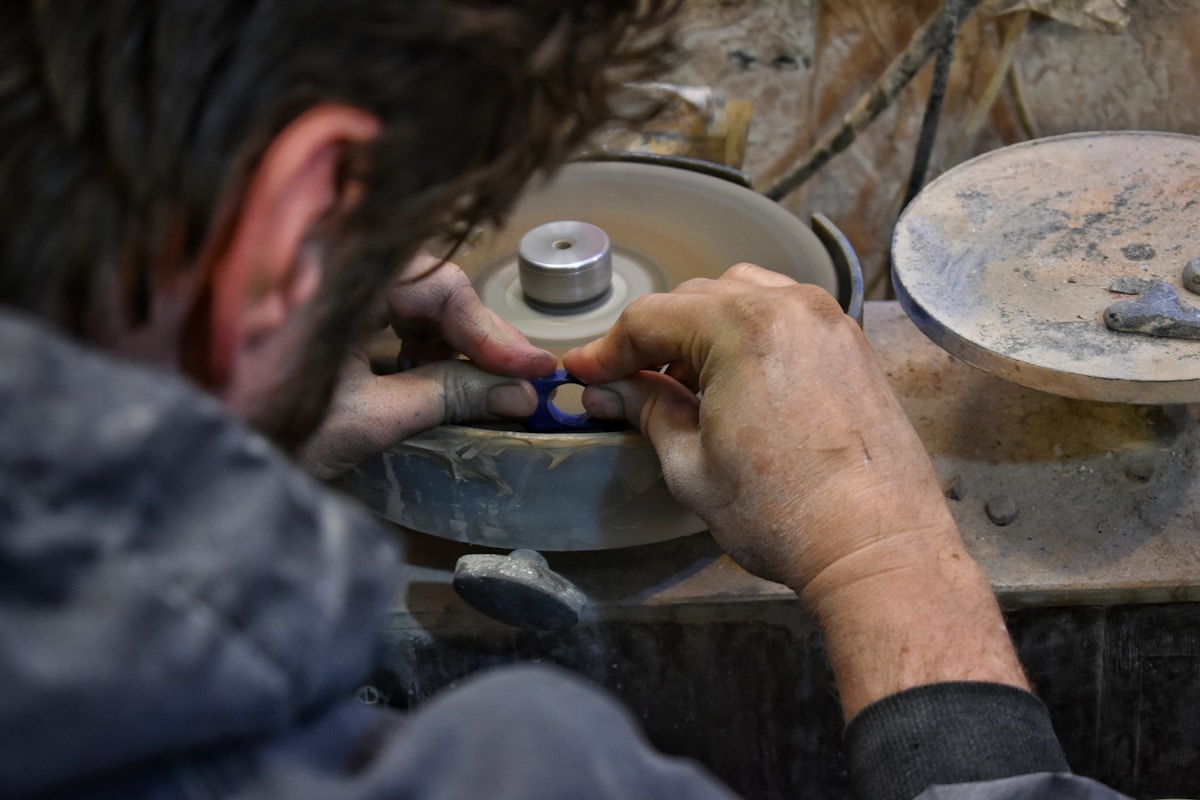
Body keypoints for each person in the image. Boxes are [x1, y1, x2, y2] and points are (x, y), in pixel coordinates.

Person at [0, 1, 1135, 798]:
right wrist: (881, 554)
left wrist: (240, 371)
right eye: (421, 222)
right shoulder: (528, 772)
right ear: (294, 217)